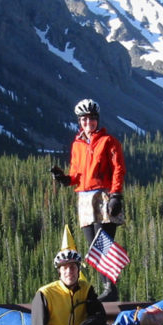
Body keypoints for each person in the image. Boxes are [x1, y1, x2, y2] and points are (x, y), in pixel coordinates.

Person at [50, 98, 126, 302]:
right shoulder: (77, 144)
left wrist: (116, 195)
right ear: (79, 121)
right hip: (84, 197)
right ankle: (106, 287)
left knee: (103, 243)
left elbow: (118, 169)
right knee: (92, 246)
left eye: (91, 119)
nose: (88, 123)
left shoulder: (109, 141)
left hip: (104, 196)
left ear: (97, 120)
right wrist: (65, 179)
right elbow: (76, 174)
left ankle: (111, 288)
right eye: (84, 119)